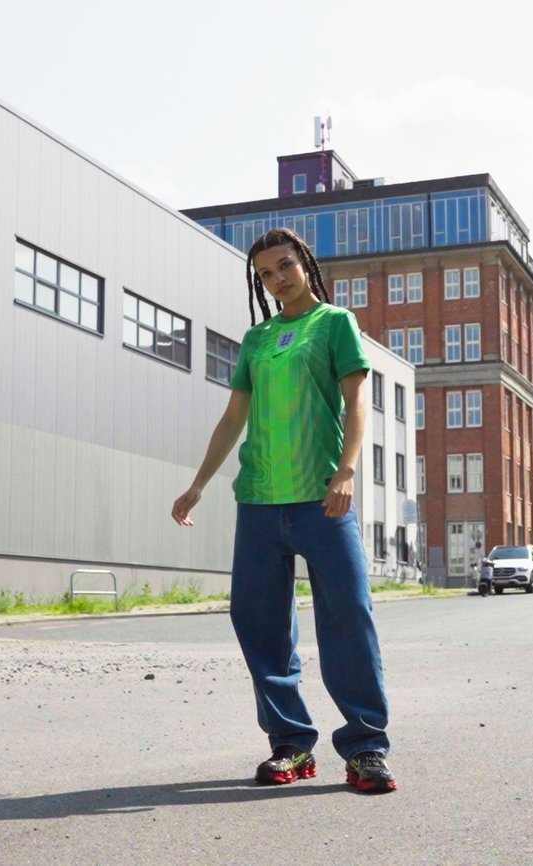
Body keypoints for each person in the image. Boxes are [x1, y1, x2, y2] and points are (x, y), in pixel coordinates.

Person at [171, 228, 395, 793]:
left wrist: (346, 470)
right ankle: (291, 743)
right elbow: (233, 419)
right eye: (266, 274)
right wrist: (198, 484)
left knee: (349, 617)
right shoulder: (257, 339)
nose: (277, 279)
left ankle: (366, 746)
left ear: (305, 264)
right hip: (259, 502)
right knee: (258, 623)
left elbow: (357, 400)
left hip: (322, 497)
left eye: (285, 265)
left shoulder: (335, 324)